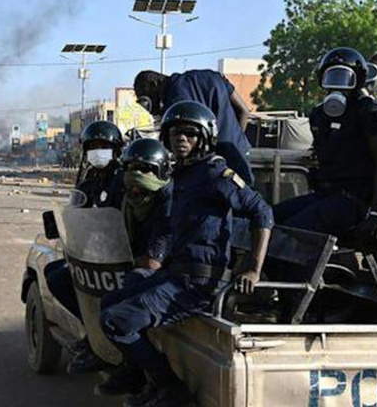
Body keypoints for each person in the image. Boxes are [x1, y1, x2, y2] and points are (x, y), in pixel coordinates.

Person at [100, 101, 273, 407]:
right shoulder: (183, 175)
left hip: (199, 283)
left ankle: (171, 388)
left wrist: (253, 268)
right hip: (178, 275)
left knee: (117, 320)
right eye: (175, 133)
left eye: (190, 134)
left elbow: (262, 212)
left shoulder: (215, 173)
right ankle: (139, 375)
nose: (181, 138)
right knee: (109, 302)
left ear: (204, 138)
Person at [273, 47, 377, 244]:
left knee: (293, 231)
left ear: (358, 81)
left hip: (354, 200)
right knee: (270, 217)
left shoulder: (368, 112)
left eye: (344, 78)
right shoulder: (319, 115)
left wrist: (376, 213)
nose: (337, 85)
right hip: (326, 194)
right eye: (332, 77)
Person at [94, 138, 174, 397]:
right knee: (105, 300)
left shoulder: (168, 200)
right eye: (132, 168)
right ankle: (119, 359)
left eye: (146, 169)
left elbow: (153, 261)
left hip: (171, 272)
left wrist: (129, 260)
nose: (138, 176)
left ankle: (158, 380)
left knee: (127, 293)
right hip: (137, 263)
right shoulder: (129, 198)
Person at [45, 120, 125, 375]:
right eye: (93, 147)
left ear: (116, 150)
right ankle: (91, 331)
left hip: (121, 257)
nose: (98, 152)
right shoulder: (87, 184)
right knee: (56, 275)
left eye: (104, 146)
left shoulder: (124, 182)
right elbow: (75, 215)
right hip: (91, 257)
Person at [133, 69, 254, 185]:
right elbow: (244, 111)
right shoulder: (213, 77)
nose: (149, 109)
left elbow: (184, 149)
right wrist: (237, 139)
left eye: (146, 100)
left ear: (154, 85)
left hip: (210, 173)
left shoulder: (175, 103)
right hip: (240, 157)